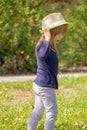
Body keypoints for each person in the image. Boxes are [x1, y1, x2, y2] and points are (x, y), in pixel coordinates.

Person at [28, 13, 68, 130]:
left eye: (62, 33)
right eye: (58, 33)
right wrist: (47, 38)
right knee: (52, 112)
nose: (61, 36)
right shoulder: (42, 45)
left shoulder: (50, 45)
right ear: (50, 32)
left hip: (41, 85)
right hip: (45, 87)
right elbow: (42, 56)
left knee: (38, 111)